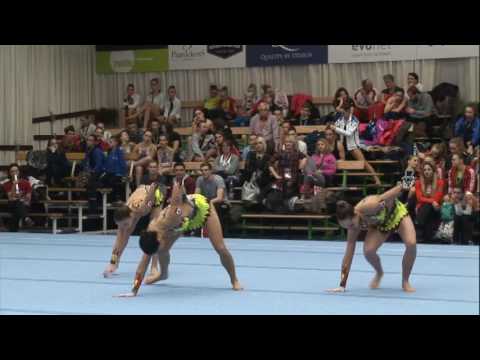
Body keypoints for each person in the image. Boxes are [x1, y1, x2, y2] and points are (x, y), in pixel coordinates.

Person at [115, 183, 243, 297]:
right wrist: (134, 290)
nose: (156, 254)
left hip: (200, 210)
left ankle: (234, 279)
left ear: (159, 238)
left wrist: (178, 189)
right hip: (178, 225)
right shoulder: (151, 237)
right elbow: (142, 266)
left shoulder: (171, 217)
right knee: (163, 249)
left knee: (220, 248)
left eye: (156, 249)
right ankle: (163, 274)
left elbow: (179, 204)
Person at [327, 179, 417, 293]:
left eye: (351, 224)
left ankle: (405, 281)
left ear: (355, 213)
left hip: (396, 215)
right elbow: (348, 255)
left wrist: (404, 185)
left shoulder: (370, 204)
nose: (351, 228)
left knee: (411, 243)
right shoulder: (352, 228)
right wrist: (342, 284)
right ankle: (379, 272)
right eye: (347, 227)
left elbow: (391, 194)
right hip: (380, 226)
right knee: (368, 251)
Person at [103, 183, 163, 279]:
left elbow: (149, 200)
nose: (124, 227)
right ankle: (115, 264)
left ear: (131, 216)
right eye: (122, 225)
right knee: (123, 236)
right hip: (141, 193)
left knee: (154, 233)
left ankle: (154, 267)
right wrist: (112, 262)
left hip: (154, 197)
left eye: (125, 224)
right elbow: (118, 242)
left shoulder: (143, 208)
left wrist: (152, 190)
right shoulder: (124, 216)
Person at [333, 103, 381, 185]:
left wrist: (336, 128)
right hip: (342, 144)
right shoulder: (340, 119)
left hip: (352, 145)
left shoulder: (355, 120)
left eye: (346, 112)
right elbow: (335, 126)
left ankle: (376, 179)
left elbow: (348, 133)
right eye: (343, 112)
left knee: (364, 162)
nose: (345, 114)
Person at [268, 136, 307, 211]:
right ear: (284, 143)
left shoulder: (297, 153)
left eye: (290, 142)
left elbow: (305, 157)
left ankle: (288, 205)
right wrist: (276, 175)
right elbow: (270, 163)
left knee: (291, 187)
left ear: (293, 144)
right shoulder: (280, 153)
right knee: (275, 192)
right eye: (286, 142)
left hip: (293, 180)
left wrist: (301, 165)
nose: (288, 143)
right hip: (281, 179)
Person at [415, 161, 445, 243]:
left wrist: (432, 202)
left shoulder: (440, 182)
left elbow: (438, 197)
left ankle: (418, 227)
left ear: (433, 171)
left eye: (429, 169)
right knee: (427, 205)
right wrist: (432, 201)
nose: (426, 171)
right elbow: (419, 198)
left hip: (435, 209)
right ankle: (422, 230)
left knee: (428, 206)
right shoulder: (418, 183)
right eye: (424, 170)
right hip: (422, 209)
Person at [2, 164, 34, 231]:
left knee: (17, 208)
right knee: (16, 202)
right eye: (12, 171)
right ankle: (26, 218)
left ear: (19, 172)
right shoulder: (6, 184)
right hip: (12, 204)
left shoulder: (26, 183)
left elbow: (28, 198)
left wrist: (22, 198)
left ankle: (13, 228)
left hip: (24, 204)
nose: (14, 173)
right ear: (10, 173)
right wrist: (14, 185)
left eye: (16, 171)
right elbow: (10, 197)